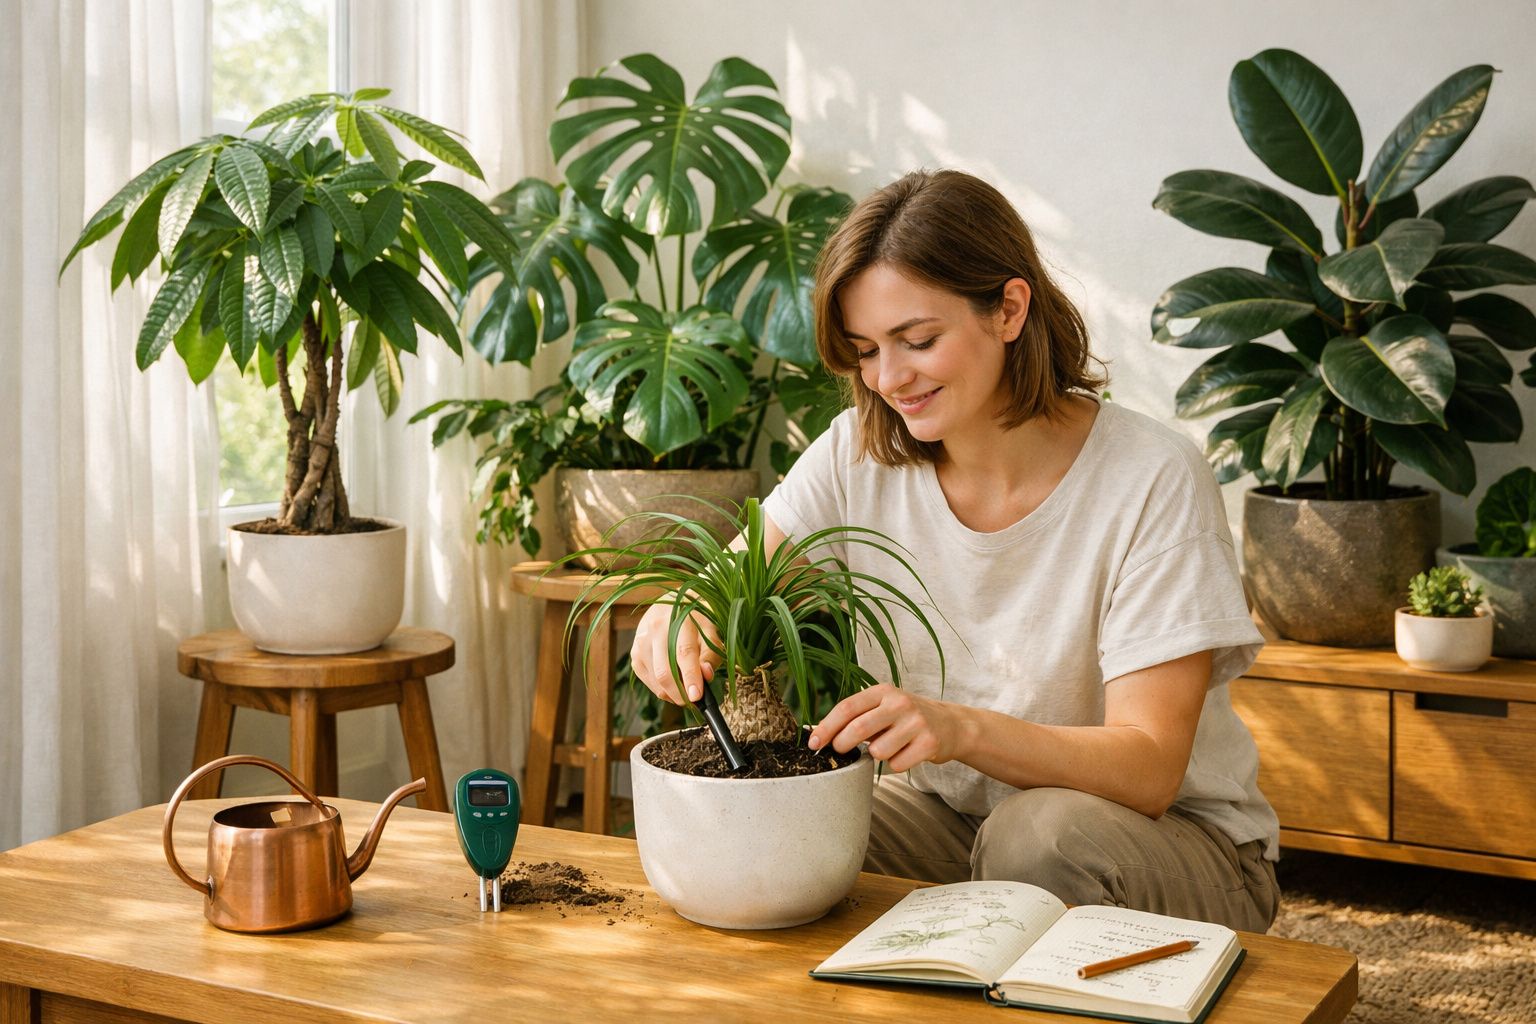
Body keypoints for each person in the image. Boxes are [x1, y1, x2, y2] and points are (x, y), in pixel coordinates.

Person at [629, 169, 1279, 932]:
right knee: (777, 834)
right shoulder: (855, 454)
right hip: (952, 821)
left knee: (1034, 840)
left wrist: (959, 728)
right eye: (866, 350)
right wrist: (681, 612)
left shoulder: (1151, 477)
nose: (889, 378)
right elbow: (730, 581)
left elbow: (1149, 768)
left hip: (1165, 841)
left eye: (919, 341)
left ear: (1009, 309)